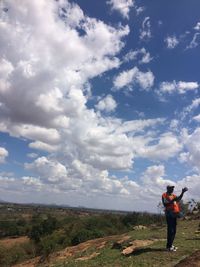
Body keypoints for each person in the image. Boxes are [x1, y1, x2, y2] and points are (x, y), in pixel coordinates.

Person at [162, 185, 188, 252]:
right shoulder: (164, 195)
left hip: (174, 214)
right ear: (168, 189)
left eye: (173, 188)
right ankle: (168, 247)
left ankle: (170, 245)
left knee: (174, 230)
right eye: (171, 188)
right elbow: (165, 204)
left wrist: (182, 192)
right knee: (170, 230)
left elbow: (178, 199)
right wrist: (173, 200)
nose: (172, 189)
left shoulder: (173, 195)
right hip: (169, 214)